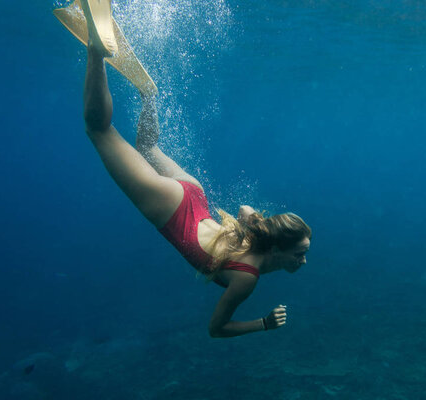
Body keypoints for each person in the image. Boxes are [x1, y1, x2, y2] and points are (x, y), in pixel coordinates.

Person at [72, 0, 312, 338]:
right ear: (277, 249)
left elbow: (245, 210)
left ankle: (150, 96)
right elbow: (216, 328)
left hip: (193, 196)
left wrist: (253, 222)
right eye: (300, 254)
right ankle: (96, 51)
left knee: (147, 147)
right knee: (98, 130)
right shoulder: (247, 280)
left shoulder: (258, 240)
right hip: (172, 209)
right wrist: (264, 324)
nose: (303, 262)